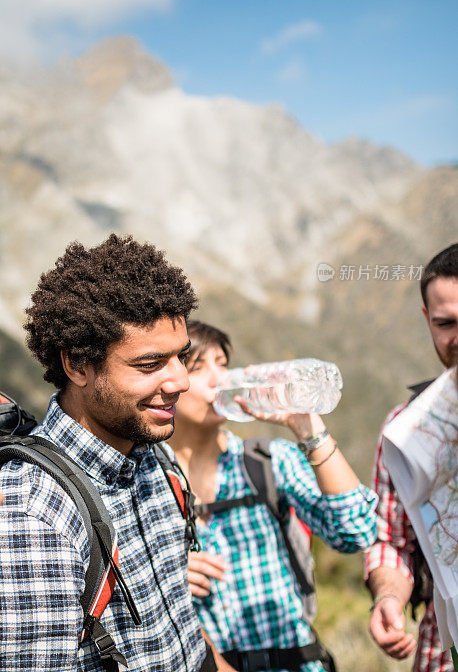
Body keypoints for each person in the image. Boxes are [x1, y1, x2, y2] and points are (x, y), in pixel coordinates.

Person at [0, 234, 232, 672]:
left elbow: (176, 624)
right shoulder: (35, 516)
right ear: (77, 365)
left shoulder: (153, 457)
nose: (180, 381)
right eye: (150, 365)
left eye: (181, 357)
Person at [168, 319, 378, 672]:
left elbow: (356, 532)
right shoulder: (147, 480)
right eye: (198, 367)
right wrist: (164, 572)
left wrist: (308, 427)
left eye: (222, 364)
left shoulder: (268, 461)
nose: (218, 379)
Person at [364, 243, 458, 672]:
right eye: (446, 323)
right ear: (427, 319)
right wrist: (388, 597)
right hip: (444, 649)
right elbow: (393, 540)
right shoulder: (406, 430)